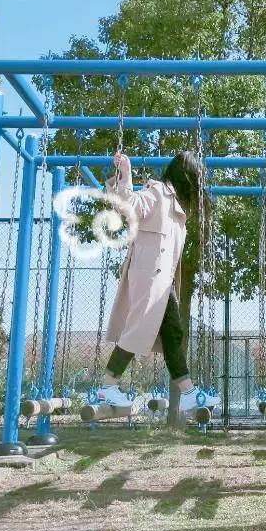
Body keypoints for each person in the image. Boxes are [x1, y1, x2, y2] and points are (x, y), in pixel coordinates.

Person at [95, 150, 219, 413]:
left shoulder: (176, 206)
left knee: (173, 333)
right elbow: (131, 205)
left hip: (162, 281)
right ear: (186, 175)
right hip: (149, 278)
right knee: (137, 330)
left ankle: (188, 392)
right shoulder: (159, 193)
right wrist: (126, 175)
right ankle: (107, 387)